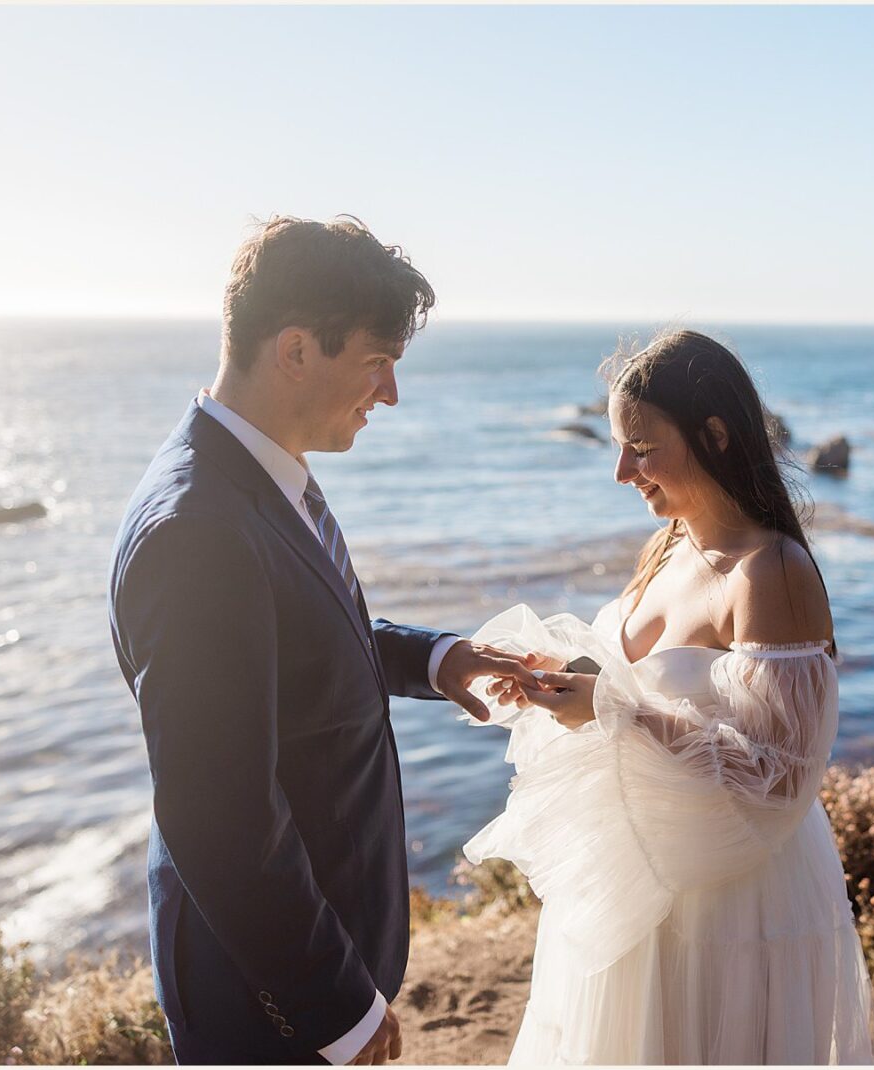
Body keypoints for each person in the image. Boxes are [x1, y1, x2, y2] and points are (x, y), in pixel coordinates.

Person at [108, 216, 539, 1065]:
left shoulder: (259, 480)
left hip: (312, 964)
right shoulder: (199, 531)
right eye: (378, 361)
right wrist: (333, 1004)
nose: (390, 393)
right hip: (266, 1003)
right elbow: (217, 815)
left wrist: (439, 659)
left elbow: (298, 648)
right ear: (297, 351)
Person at [465, 330, 874, 1064]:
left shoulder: (770, 573)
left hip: (732, 904)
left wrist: (611, 710)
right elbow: (640, 685)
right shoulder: (670, 545)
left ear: (714, 435)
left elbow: (780, 780)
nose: (622, 470)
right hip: (640, 879)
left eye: (642, 446)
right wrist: (559, 679)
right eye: (617, 445)